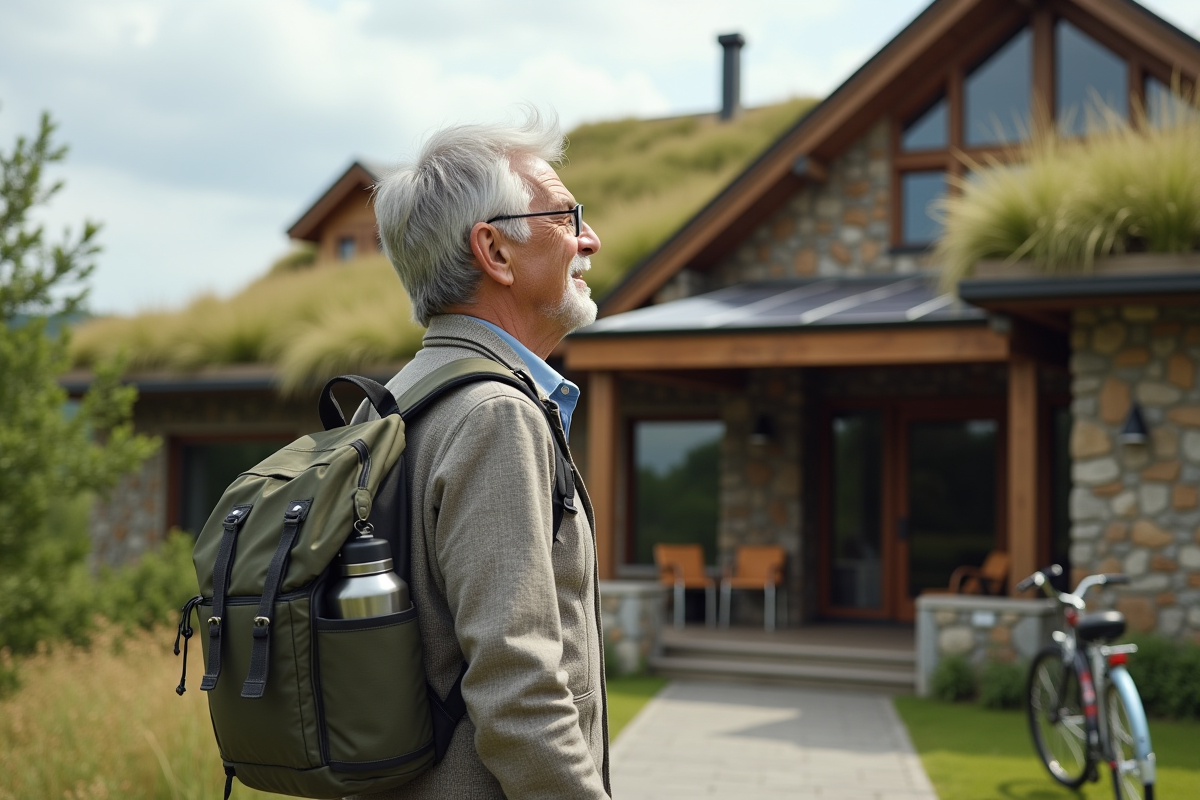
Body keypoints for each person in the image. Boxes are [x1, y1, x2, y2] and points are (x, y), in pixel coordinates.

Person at [350, 109, 610, 799]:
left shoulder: (391, 402)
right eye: (566, 216)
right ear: (494, 251)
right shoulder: (496, 416)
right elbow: (519, 692)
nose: (590, 239)